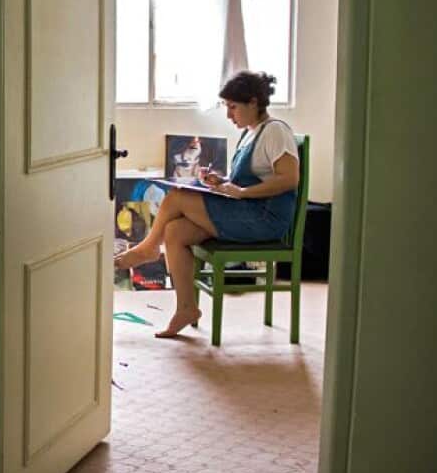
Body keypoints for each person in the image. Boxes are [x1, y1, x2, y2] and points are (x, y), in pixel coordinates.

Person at [113, 72, 300, 339]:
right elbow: (250, 180)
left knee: (177, 196)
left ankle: (148, 248)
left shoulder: (275, 131)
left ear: (254, 102)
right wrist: (220, 182)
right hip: (245, 212)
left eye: (233, 107)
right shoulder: (251, 134)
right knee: (175, 231)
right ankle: (186, 308)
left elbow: (289, 179)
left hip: (263, 219)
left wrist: (243, 192)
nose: (229, 115)